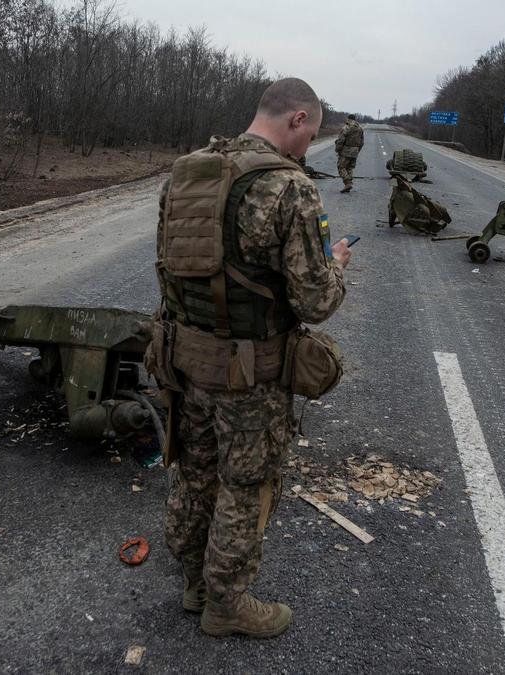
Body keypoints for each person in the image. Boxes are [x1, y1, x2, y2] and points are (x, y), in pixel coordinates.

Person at [146, 77, 351, 638]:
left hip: (185, 360)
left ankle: (194, 583)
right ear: (298, 120)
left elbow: (169, 269)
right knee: (247, 483)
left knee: (193, 470)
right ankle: (227, 604)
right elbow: (316, 299)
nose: (308, 146)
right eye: (311, 132)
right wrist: (336, 267)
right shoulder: (289, 188)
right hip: (250, 375)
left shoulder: (187, 172)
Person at [334, 113, 364, 193]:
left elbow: (340, 140)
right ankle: (349, 183)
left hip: (346, 151)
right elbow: (362, 142)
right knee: (349, 168)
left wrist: (338, 149)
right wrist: (357, 150)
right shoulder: (360, 129)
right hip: (355, 151)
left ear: (348, 119)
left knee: (341, 167)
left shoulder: (346, 128)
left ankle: (347, 183)